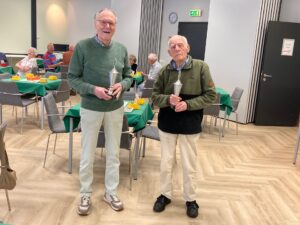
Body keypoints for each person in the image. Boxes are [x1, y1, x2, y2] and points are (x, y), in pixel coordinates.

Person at [68, 8, 132, 216]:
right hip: (91, 108)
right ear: (95, 23)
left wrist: (122, 85)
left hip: (115, 109)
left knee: (113, 154)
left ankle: (110, 192)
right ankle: (85, 193)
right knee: (87, 154)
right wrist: (93, 90)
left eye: (111, 23)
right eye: (103, 22)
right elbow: (72, 78)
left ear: (115, 26)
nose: (107, 26)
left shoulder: (122, 49)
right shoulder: (82, 47)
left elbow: (129, 76)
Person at [151, 35, 216, 218]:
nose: (177, 48)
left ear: (188, 48)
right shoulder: (164, 71)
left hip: (190, 123)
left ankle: (191, 199)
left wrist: (188, 104)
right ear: (168, 51)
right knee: (166, 162)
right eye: (173, 46)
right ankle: (165, 195)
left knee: (189, 164)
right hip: (167, 123)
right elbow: (155, 96)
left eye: (180, 45)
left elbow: (210, 95)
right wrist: (168, 100)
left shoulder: (201, 67)